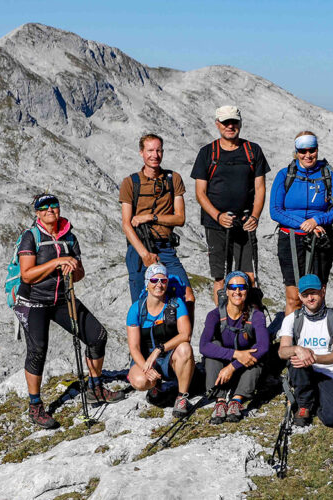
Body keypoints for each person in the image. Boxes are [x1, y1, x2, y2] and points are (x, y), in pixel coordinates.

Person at [14, 194, 125, 429]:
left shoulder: (69, 237)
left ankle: (95, 388)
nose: (49, 210)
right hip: (33, 301)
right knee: (37, 350)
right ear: (37, 213)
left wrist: (72, 269)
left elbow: (80, 272)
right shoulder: (30, 236)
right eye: (43, 207)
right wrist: (57, 262)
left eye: (53, 205)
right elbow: (27, 275)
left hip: (63, 298)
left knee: (97, 336)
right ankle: (35, 407)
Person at [191, 106, 270, 302]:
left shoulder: (253, 151)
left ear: (240, 123)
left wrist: (255, 217)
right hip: (216, 224)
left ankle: (248, 323)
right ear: (217, 124)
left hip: (245, 222)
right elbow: (200, 192)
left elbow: (260, 188)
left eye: (234, 122)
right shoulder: (207, 153)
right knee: (220, 278)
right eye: (225, 122)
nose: (230, 126)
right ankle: (222, 322)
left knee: (248, 277)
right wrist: (217, 216)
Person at [119, 134, 195, 323]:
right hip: (138, 248)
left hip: (165, 247)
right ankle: (140, 350)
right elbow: (126, 224)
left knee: (187, 296)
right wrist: (144, 254)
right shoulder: (130, 183)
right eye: (150, 150)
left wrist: (150, 217)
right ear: (141, 153)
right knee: (140, 303)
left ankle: (181, 344)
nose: (155, 155)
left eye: (158, 150)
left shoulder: (173, 179)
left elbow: (180, 218)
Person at [269, 131, 333, 316]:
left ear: (317, 149)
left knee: (317, 294)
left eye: (312, 150)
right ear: (296, 152)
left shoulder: (327, 175)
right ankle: (290, 342)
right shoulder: (285, 175)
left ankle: (317, 339)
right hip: (291, 240)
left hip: (321, 239)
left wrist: (317, 220)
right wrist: (304, 223)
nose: (308, 155)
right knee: (294, 297)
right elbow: (275, 210)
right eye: (303, 151)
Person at [277, 274, 333, 428]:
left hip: (329, 372)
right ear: (299, 296)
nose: (310, 298)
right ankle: (304, 404)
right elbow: (282, 352)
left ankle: (316, 398)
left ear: (323, 291)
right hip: (303, 370)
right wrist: (297, 349)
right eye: (305, 295)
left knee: (332, 419)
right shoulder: (292, 319)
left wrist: (313, 357)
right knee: (296, 358)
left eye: (314, 293)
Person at [199, 271, 269, 424]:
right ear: (227, 290)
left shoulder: (256, 315)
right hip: (221, 368)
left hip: (243, 368)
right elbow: (203, 346)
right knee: (214, 346)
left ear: (247, 291)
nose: (237, 291)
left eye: (242, 287)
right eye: (233, 287)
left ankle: (237, 400)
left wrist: (232, 367)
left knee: (255, 354)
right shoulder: (214, 315)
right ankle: (220, 400)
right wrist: (236, 354)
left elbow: (264, 347)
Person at [126, 264, 195, 417]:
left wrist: (158, 350)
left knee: (185, 348)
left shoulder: (176, 304)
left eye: (163, 281)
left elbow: (186, 335)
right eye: (154, 280)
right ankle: (154, 386)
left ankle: (181, 397)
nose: (159, 284)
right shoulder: (136, 309)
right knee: (139, 380)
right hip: (146, 358)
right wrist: (146, 367)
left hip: (169, 355)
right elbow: (134, 347)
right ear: (147, 283)